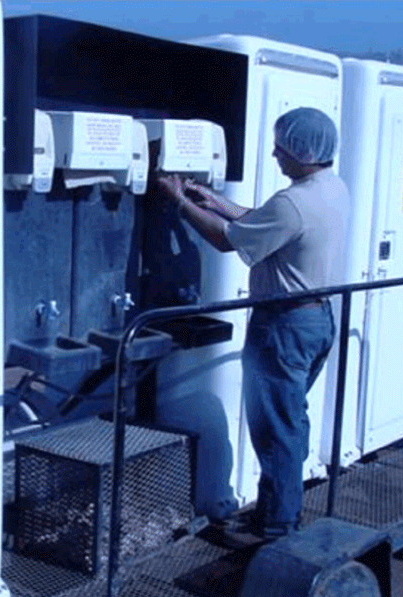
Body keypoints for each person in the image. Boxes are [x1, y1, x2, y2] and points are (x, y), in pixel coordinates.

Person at [156, 107, 349, 539]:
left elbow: (226, 241)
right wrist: (216, 201)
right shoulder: (330, 189)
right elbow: (264, 224)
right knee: (290, 421)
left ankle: (277, 526)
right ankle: (277, 511)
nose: (276, 155)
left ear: (304, 150)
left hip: (283, 328)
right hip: (317, 320)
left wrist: (181, 202)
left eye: (282, 148)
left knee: (275, 428)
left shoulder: (293, 200)